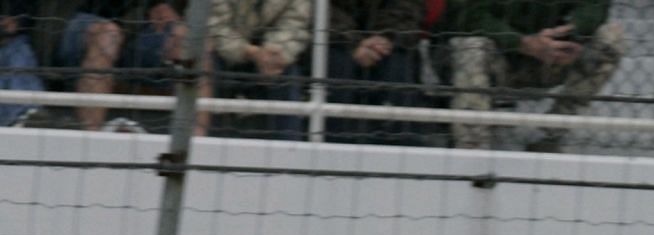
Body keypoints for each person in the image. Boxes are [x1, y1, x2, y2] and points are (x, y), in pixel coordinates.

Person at [443, 0, 624, 152]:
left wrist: (570, 32)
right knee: (470, 46)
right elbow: (466, 16)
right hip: (498, 58)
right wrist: (522, 43)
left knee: (611, 36)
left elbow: (595, 6)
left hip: (552, 57)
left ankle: (552, 135)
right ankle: (472, 146)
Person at [39, 0, 187, 130]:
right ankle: (92, 138)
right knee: (108, 34)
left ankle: (195, 142)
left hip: (138, 27)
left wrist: (163, 6)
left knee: (189, 39)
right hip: (72, 22)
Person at [207, 0, 312, 139]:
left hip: (272, 54)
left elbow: (295, 24)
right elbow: (214, 25)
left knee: (287, 76)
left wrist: (273, 52)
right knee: (207, 68)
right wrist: (250, 52)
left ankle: (287, 151)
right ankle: (204, 146)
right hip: (224, 52)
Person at [324, 0, 424, 144]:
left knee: (398, 66)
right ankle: (334, 147)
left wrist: (385, 38)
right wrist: (354, 44)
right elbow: (326, 13)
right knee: (336, 66)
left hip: (387, 45)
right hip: (336, 43)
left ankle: (403, 147)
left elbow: (408, 10)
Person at [2, 0, 46, 127]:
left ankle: (27, 115)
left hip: (11, 44)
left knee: (19, 50)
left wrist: (16, 21)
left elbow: (27, 13)